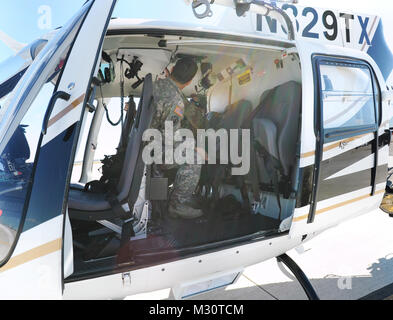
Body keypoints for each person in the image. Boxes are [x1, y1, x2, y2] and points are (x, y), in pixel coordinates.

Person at [151, 57, 205, 219]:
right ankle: (177, 205)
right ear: (189, 82)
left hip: (146, 144)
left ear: (172, 70)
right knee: (195, 158)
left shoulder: (157, 85)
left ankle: (156, 203)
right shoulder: (176, 101)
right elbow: (170, 138)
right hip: (156, 150)